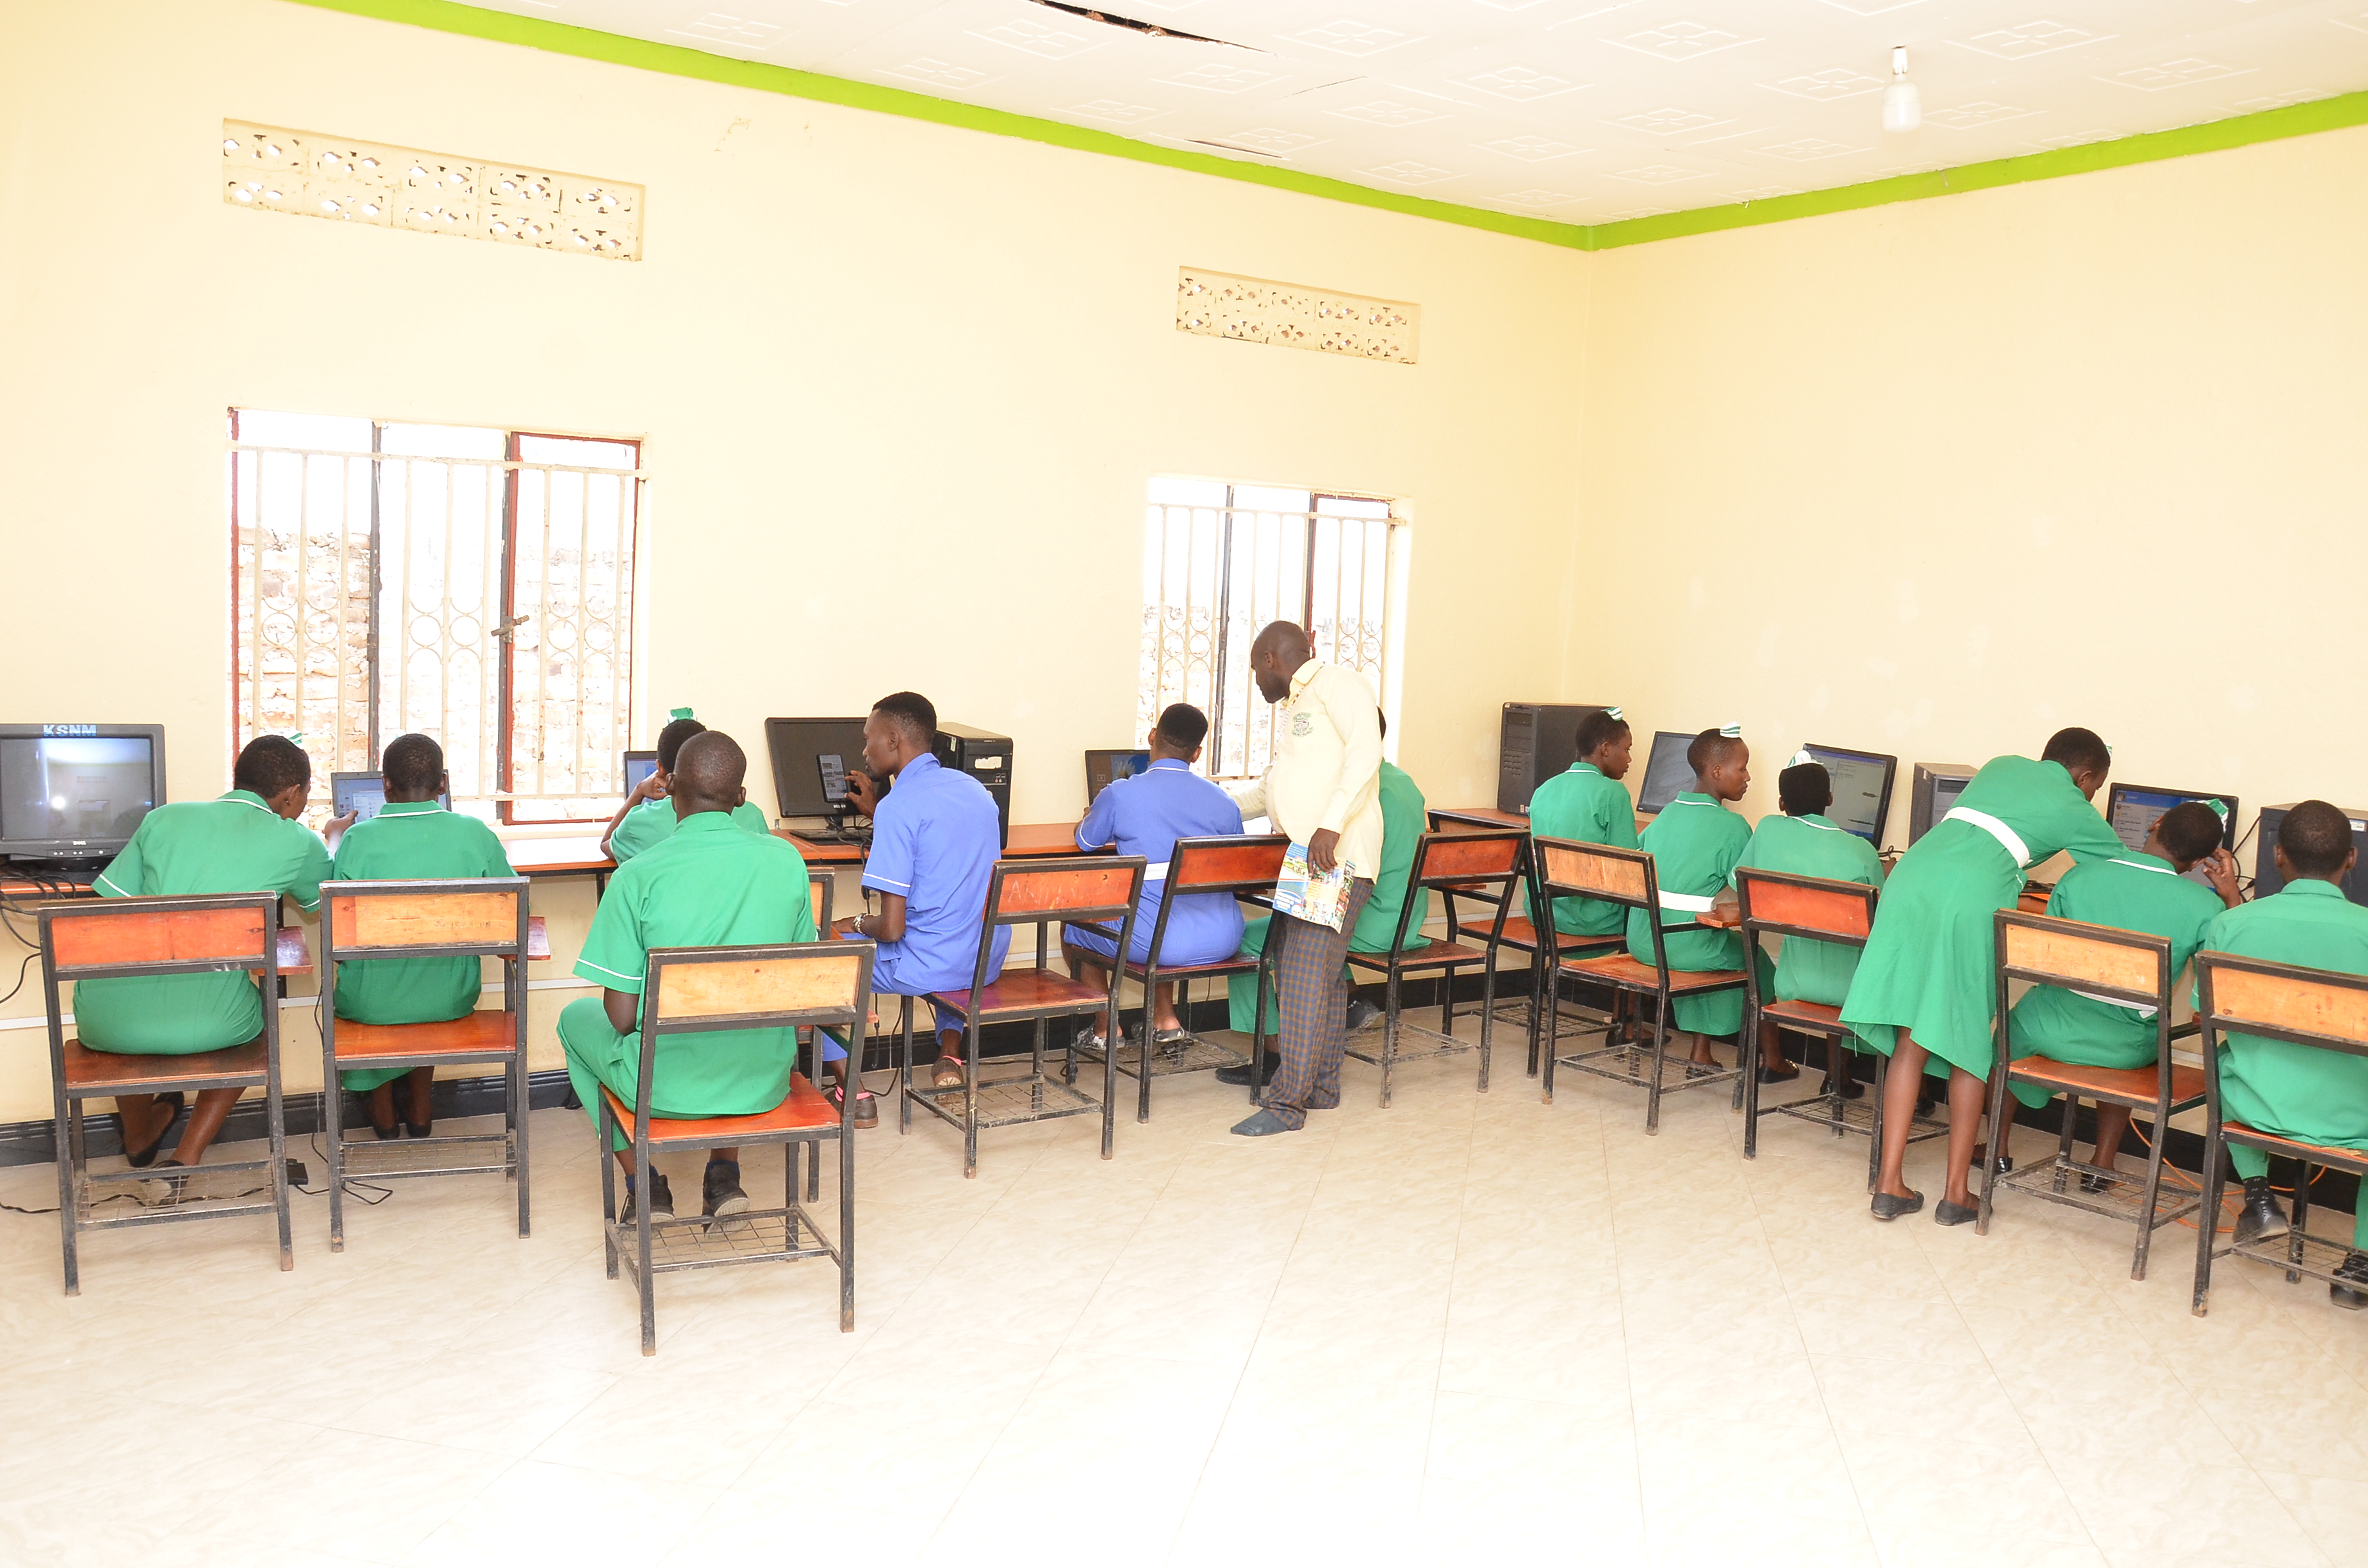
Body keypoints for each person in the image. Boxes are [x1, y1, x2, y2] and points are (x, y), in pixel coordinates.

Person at [1841, 728, 2126, 1225]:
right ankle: (1956, 1195)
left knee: (1912, 1034)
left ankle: (1888, 1186)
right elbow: (2124, 869)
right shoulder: (2073, 803)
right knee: (1968, 1041)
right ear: (2084, 777)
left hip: (1912, 880)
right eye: (2094, 789)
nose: (2091, 798)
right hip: (1969, 899)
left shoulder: (2000, 764)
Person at [559, 731, 831, 1225]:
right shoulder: (786, 862)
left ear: (672, 789)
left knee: (573, 1023)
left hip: (662, 1089)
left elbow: (619, 1020)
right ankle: (724, 1175)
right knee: (734, 1020)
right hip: (761, 1081)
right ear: (742, 797)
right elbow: (802, 983)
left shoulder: (637, 876)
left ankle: (645, 1183)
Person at [78, 735, 333, 1196]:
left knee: (129, 1004)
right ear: (292, 793)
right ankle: (182, 1161)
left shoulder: (163, 818)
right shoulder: (296, 839)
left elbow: (106, 905)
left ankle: (139, 1137)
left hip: (108, 1023)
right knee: (259, 1024)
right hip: (212, 1027)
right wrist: (331, 838)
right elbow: (319, 904)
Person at [2000, 801, 2238, 1185]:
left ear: (2156, 824)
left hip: (2048, 1031)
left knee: (2009, 1031)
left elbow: (2045, 961)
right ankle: (2102, 1164)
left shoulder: (2079, 878)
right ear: (2197, 863)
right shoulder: (2206, 907)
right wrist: (2230, 899)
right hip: (2128, 1050)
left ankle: (1997, 1150)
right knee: (2134, 1026)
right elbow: (2222, 985)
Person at [2196, 801, 2368, 1308]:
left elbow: (2204, 1018)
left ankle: (2258, 1193)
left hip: (2258, 1109)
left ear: (2276, 856)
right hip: (2355, 1119)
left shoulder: (2233, 926)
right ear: (2351, 860)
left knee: (2224, 1060)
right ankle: (2358, 1266)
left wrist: (2233, 903)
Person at [1221, 622, 1385, 1137]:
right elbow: (1273, 787)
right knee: (1322, 974)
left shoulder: (1339, 684)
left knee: (1301, 972)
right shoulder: (1298, 706)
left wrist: (1330, 825)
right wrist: (1201, 805)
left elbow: (1366, 751)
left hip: (1334, 856)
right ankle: (1322, 1087)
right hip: (1307, 858)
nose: (1255, 683)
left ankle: (1287, 1104)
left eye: (1254, 671)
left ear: (1272, 659)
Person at [326, 733, 518, 1140]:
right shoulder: (475, 833)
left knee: (374, 987)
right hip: (450, 999)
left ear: (385, 786)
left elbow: (336, 938)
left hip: (370, 1004)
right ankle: (420, 1102)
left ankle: (381, 1108)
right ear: (443, 783)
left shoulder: (357, 840)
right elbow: (513, 915)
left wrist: (333, 838)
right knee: (429, 980)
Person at [1221, 712, 1427, 1079]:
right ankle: (1347, 999)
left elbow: (1331, 872)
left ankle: (1274, 1058)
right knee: (1301, 925)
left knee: (1253, 939)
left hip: (1370, 922)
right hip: (1406, 921)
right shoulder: (1404, 783)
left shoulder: (1356, 792)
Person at [828, 691, 1007, 1095]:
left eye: (868, 737)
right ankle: (950, 1053)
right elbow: (940, 853)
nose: (864, 749)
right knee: (947, 925)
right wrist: (880, 813)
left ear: (893, 740)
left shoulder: (900, 806)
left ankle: (851, 1092)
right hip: (983, 960)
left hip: (933, 964)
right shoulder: (976, 791)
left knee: (827, 952)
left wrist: (850, 922)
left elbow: (891, 930)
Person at [1064, 703, 1244, 1055]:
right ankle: (1166, 1021)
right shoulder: (1225, 802)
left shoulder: (1120, 793)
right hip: (1226, 937)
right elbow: (1235, 868)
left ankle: (1105, 1028)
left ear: (1152, 736)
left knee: (1077, 926)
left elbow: (1085, 841)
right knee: (1155, 910)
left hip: (1161, 941)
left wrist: (1090, 815)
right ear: (1197, 752)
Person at [1725, 758, 1887, 1095]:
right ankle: (1852, 1080)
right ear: (1830, 799)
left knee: (1816, 948)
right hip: (1852, 994)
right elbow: (1882, 913)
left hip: (1793, 984)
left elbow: (1738, 881)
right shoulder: (1861, 850)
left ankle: (1823, 1073)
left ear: (1782, 804)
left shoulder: (1769, 829)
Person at [1625, 727, 1779, 1077]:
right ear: (1716, 772)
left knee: (1709, 942)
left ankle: (1702, 1051)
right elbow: (1752, 890)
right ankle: (1772, 1060)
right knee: (1756, 961)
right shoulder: (1733, 826)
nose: (1748, 777)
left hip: (1643, 939)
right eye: (1741, 768)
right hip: (1682, 945)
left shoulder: (1666, 815)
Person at [600, 710, 770, 865]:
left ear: (661, 769)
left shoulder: (639, 823)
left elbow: (606, 844)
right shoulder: (753, 815)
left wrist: (638, 791)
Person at [1529, 706, 1640, 940]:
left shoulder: (1544, 789)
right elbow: (1629, 866)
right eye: (1627, 750)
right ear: (1606, 749)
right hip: (1595, 920)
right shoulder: (1613, 793)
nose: (1629, 759)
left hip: (1543, 912)